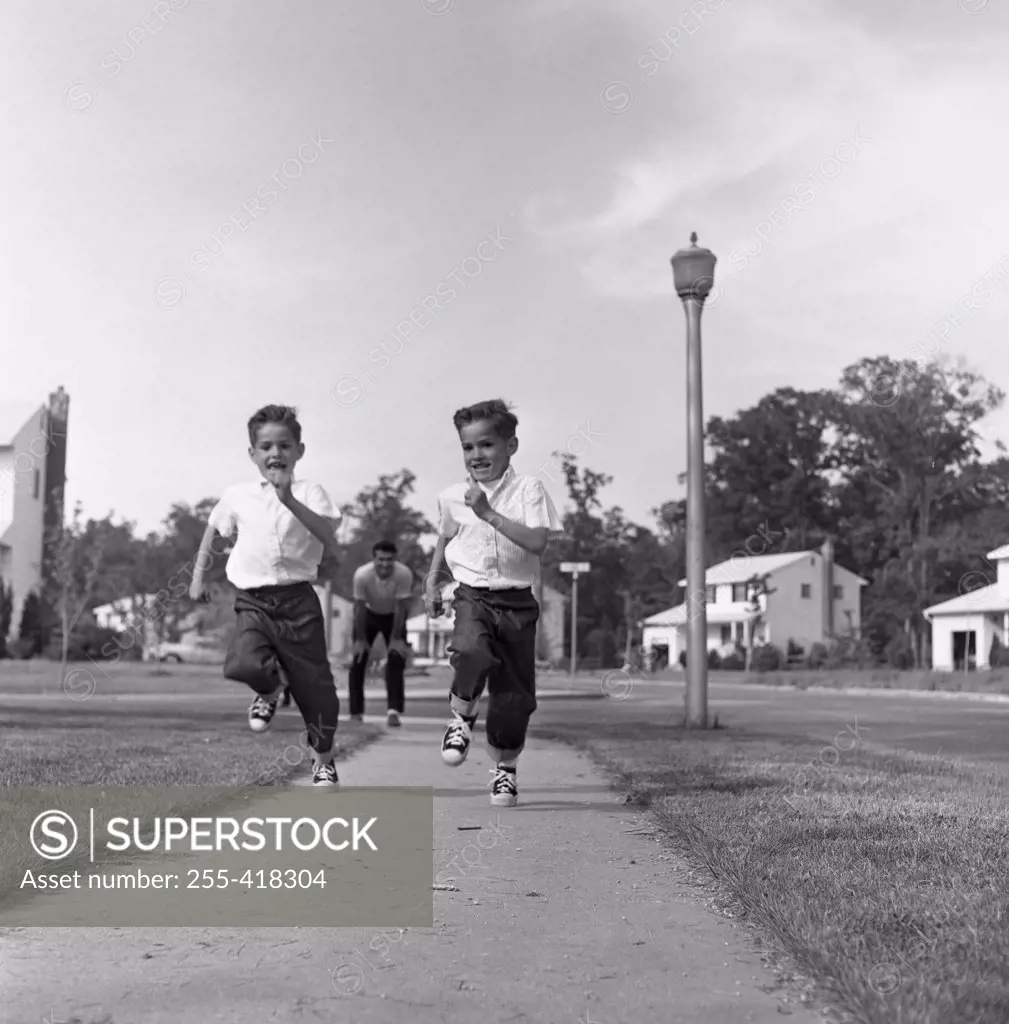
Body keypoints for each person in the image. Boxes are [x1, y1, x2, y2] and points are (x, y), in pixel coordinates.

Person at [190, 404, 342, 787]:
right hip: (254, 599)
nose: (276, 453)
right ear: (253, 454)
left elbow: (328, 536)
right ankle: (271, 690)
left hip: (299, 602)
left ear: (299, 450)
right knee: (241, 663)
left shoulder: (312, 492)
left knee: (316, 688)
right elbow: (213, 530)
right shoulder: (238, 495)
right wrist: (197, 578)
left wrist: (289, 499)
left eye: (285, 446)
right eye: (267, 446)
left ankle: (322, 758)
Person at [425, 399, 563, 807]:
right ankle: (462, 717)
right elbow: (446, 537)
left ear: (511, 446)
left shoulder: (529, 490)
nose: (476, 455)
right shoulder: (451, 496)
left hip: (517, 601)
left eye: (486, 445)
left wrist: (488, 514)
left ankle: (505, 770)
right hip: (472, 595)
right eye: (468, 447)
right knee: (469, 650)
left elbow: (538, 543)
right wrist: (433, 580)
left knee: (514, 700)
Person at [348, 540, 414, 727]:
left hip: (393, 617)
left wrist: (395, 639)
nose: (385, 564)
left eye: (389, 560)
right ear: (374, 559)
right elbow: (359, 608)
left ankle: (393, 711)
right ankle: (356, 712)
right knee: (358, 660)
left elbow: (401, 608)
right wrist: (360, 639)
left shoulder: (403, 574)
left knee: (395, 658)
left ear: (395, 559)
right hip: (368, 615)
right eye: (381, 559)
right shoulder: (362, 575)